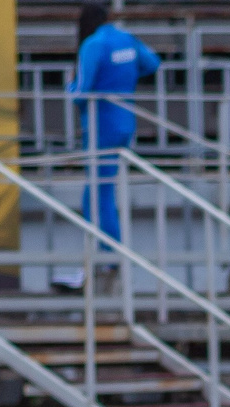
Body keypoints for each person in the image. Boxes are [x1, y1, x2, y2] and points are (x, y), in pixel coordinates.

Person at [55, 0, 158, 291]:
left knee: (97, 196)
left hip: (101, 125)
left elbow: (81, 91)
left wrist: (69, 87)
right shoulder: (125, 38)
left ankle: (108, 257)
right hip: (125, 120)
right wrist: (122, 80)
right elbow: (152, 63)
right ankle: (106, 257)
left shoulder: (93, 44)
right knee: (103, 191)